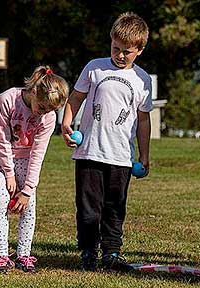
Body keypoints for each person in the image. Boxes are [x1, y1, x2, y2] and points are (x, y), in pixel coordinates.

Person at [61, 12, 152, 272]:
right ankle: (88, 251)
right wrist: (66, 123)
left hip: (121, 156)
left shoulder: (142, 80)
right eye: (116, 48)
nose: (120, 55)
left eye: (127, 51)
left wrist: (143, 155)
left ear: (139, 50)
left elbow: (143, 121)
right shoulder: (95, 67)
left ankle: (111, 252)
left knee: (115, 206)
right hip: (89, 151)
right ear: (110, 41)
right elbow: (76, 98)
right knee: (88, 207)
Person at [0, 66, 69, 273]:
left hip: (26, 155)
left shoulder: (48, 118)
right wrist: (9, 174)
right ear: (33, 92)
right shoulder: (6, 100)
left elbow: (38, 153)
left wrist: (28, 190)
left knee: (28, 206)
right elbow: (2, 139)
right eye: (42, 107)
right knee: (1, 202)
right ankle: (2, 255)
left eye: (50, 110)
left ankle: (24, 254)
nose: (43, 113)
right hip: (0, 153)